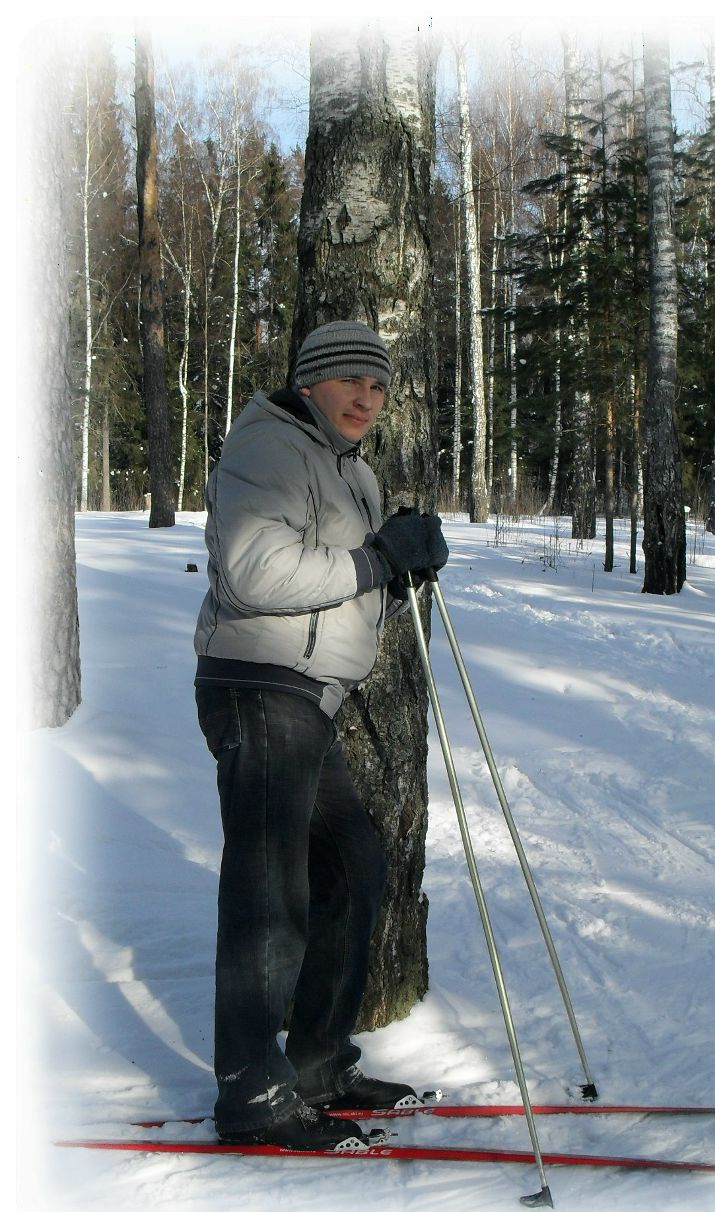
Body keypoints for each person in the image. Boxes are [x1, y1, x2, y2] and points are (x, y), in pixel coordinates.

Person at [193, 320, 448, 1150]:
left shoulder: (348, 470)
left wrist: (402, 554)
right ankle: (250, 1093)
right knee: (270, 893)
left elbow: (349, 565)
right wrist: (377, 560)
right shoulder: (269, 447)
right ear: (311, 383)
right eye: (350, 383)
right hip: (258, 685)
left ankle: (315, 1064)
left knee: (353, 865)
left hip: (304, 697)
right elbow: (255, 571)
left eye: (376, 387)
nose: (366, 400)